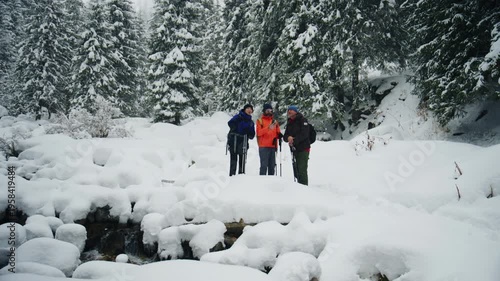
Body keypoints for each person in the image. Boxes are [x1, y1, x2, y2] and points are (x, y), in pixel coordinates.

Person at [283, 105, 310, 185]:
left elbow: (304, 134)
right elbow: (285, 136)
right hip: (294, 149)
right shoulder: (289, 122)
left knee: (302, 170)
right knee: (296, 170)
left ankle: (304, 188)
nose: (289, 112)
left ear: (296, 111)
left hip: (303, 148)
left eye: (291, 110)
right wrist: (288, 138)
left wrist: (293, 140)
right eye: (288, 110)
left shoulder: (302, 120)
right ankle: (299, 188)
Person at [227, 104, 255, 176]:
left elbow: (252, 135)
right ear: (244, 109)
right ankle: (232, 176)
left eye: (251, 109)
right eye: (248, 108)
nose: (249, 110)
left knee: (242, 160)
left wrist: (248, 133)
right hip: (234, 140)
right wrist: (236, 129)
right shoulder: (238, 116)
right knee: (233, 159)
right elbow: (230, 123)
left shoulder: (251, 122)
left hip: (244, 141)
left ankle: (241, 176)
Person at [256, 103, 282, 175]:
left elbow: (277, 132)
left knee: (272, 166)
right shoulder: (260, 121)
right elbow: (259, 133)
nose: (269, 112)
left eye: (271, 110)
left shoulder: (274, 121)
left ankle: (271, 183)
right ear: (264, 111)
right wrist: (268, 128)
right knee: (264, 166)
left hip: (272, 146)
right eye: (267, 110)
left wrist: (279, 135)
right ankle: (262, 182)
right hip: (263, 146)